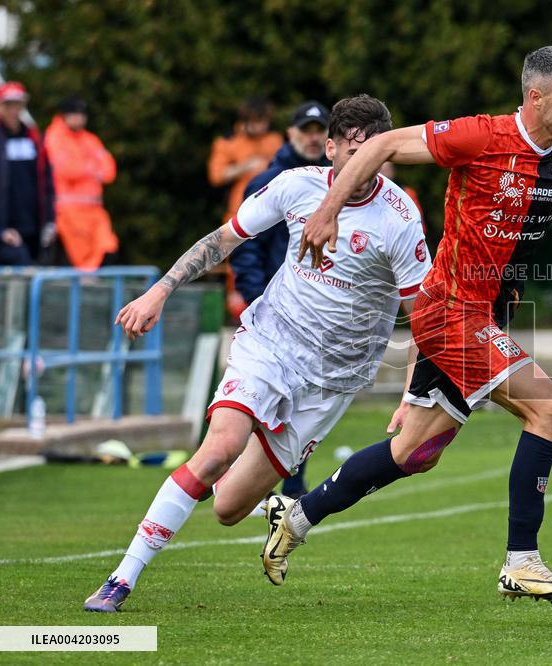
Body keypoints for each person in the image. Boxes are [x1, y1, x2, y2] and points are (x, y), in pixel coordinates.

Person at [260, 46, 552, 602]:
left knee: (415, 451)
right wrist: (327, 212)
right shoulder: (480, 136)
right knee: (550, 407)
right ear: (536, 98)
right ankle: (522, 561)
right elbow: (385, 144)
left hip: (491, 310)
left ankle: (295, 518)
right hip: (451, 309)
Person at [83, 95, 431, 612]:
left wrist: (411, 396)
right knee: (219, 448)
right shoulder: (295, 186)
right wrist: (160, 290)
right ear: (329, 147)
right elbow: (223, 240)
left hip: (331, 381)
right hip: (270, 343)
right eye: (350, 149)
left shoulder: (400, 217)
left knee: (227, 507)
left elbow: (422, 316)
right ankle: (122, 578)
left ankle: (270, 505)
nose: (360, 161)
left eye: (373, 151)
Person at [231, 99, 332, 499]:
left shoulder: (335, 184)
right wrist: (258, 298)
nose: (312, 137)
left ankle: (289, 491)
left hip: (313, 314)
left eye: (319, 130)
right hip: (274, 314)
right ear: (289, 134)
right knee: (259, 401)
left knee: (299, 403)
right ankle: (230, 474)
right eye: (305, 130)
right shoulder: (268, 181)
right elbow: (246, 246)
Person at [44, 96, 119, 270]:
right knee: (79, 260)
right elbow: (67, 170)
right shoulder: (55, 137)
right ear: (65, 115)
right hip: (68, 213)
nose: (79, 117)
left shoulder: (90, 139)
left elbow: (109, 171)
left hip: (94, 211)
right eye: (75, 113)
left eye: (82, 114)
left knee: (108, 248)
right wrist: (92, 168)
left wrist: (85, 168)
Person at [0, 81, 55, 265]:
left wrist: (50, 221)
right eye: (8, 105)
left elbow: (47, 182)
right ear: (0, 106)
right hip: (4, 233)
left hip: (32, 228)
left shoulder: (34, 139)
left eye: (17, 105)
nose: (13, 110)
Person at [207, 97, 283, 226]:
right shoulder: (229, 142)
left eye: (263, 121)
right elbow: (216, 176)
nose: (260, 126)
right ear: (244, 121)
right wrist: (245, 167)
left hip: (273, 212)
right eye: (256, 121)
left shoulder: (275, 140)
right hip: (239, 212)